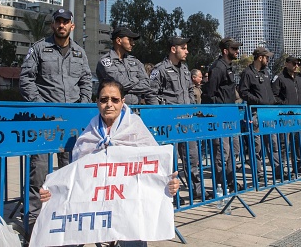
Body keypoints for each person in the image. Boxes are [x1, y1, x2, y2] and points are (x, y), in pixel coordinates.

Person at [39, 79, 180, 247]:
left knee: (134, 235)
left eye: (114, 100)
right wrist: (53, 192)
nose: (109, 104)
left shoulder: (135, 128)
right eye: (104, 99)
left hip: (129, 203)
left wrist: (168, 184)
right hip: (93, 206)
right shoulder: (89, 135)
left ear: (122, 102)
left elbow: (155, 167)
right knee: (67, 235)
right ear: (97, 102)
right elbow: (74, 177)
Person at [20, 8, 92, 231]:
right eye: (58, 21)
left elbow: (86, 80)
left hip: (70, 123)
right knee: (38, 172)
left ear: (72, 26)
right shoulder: (39, 49)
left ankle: (65, 218)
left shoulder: (80, 53)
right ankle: (34, 222)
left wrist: (82, 105)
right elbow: (26, 78)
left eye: (65, 22)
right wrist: (41, 106)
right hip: (44, 121)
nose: (61, 25)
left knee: (69, 171)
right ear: (53, 25)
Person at [150, 36, 203, 199]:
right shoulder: (160, 69)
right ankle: (170, 194)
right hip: (169, 123)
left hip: (186, 122)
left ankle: (198, 190)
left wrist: (192, 109)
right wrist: (161, 117)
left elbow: (189, 91)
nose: (187, 51)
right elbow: (152, 94)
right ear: (174, 49)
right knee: (169, 160)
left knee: (192, 158)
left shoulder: (185, 69)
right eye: (184, 48)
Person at [202, 37, 242, 192]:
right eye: (234, 49)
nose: (237, 51)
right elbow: (210, 93)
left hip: (230, 115)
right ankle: (221, 185)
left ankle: (231, 182)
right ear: (225, 51)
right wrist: (216, 116)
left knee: (235, 150)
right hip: (221, 116)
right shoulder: (218, 67)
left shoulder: (228, 67)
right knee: (222, 152)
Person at [96, 26, 158, 105]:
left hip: (135, 110)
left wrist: (126, 88)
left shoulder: (135, 61)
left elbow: (146, 84)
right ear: (119, 40)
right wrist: (137, 81)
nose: (133, 43)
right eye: (130, 40)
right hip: (114, 110)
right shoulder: (105, 61)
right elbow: (120, 84)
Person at [238, 47, 276, 175]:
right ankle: (258, 173)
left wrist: (271, 102)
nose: (268, 60)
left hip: (268, 113)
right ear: (260, 58)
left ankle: (277, 170)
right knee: (256, 146)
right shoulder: (247, 73)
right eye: (267, 57)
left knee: (272, 143)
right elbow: (243, 92)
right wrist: (259, 101)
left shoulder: (266, 73)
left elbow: (269, 91)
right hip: (255, 113)